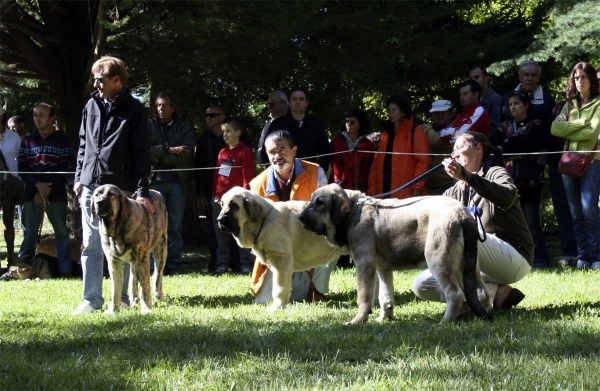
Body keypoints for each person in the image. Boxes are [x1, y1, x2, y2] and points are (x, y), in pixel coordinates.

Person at [413, 131, 533, 311]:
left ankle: (471, 301)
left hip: (514, 258)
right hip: (479, 265)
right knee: (422, 284)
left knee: (460, 232)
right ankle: (495, 294)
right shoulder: (455, 190)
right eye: (452, 150)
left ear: (478, 149)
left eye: (459, 147)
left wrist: (467, 177)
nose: (454, 154)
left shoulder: (495, 172)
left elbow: (507, 197)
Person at [73, 56, 152, 314]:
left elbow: (142, 154)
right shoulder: (91, 105)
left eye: (100, 79)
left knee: (126, 245)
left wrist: (143, 193)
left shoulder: (136, 111)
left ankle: (126, 299)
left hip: (122, 191)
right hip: (90, 187)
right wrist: (78, 178)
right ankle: (91, 299)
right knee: (92, 244)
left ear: (116, 80)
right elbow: (83, 144)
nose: (95, 84)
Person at [502, 60, 576, 260]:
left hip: (537, 167)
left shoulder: (547, 101)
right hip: (511, 170)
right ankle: (514, 256)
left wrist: (516, 143)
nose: (529, 78)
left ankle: (546, 257)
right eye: (526, 74)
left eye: (533, 75)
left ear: (539, 77)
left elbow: (539, 137)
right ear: (519, 76)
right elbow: (502, 140)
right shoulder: (508, 97)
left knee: (534, 216)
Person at [249, 130, 331, 304]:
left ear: (294, 151)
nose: (277, 156)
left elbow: (328, 214)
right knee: (264, 300)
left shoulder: (316, 172)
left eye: (282, 150)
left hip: (312, 237)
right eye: (272, 152)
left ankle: (317, 289)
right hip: (277, 247)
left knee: (332, 240)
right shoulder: (257, 185)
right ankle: (297, 286)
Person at [551, 62, 600, 270]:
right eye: (576, 78)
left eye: (583, 77)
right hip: (569, 164)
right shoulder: (569, 105)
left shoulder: (598, 104)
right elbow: (555, 128)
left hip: (591, 161)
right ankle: (583, 256)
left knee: (589, 210)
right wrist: (579, 124)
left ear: (592, 80)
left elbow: (592, 133)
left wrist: (567, 129)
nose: (579, 81)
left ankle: (596, 256)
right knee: (575, 213)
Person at [17, 103, 75, 276]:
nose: (38, 119)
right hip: (31, 193)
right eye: (35, 115)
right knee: (29, 234)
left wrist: (47, 188)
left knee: (61, 233)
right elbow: (22, 167)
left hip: (56, 193)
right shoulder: (27, 141)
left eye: (42, 115)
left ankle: (65, 271)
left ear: (51, 118)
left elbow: (66, 167)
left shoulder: (63, 141)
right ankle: (22, 268)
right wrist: (37, 186)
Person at [498, 92, 549, 268]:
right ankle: (516, 260)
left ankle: (540, 259)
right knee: (510, 222)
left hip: (530, 179)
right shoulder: (504, 126)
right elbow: (499, 148)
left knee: (532, 221)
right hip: (509, 179)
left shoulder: (536, 124)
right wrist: (515, 143)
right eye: (510, 104)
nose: (513, 107)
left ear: (526, 105)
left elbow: (532, 143)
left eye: (516, 103)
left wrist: (511, 143)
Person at [149, 91, 195, 274]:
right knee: (154, 225)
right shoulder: (149, 126)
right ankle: (153, 266)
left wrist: (159, 158)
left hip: (177, 183)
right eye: (158, 105)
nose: (161, 109)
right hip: (154, 183)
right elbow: (144, 152)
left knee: (174, 226)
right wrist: (168, 150)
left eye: (165, 105)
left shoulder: (184, 128)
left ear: (173, 108)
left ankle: (171, 264)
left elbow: (187, 155)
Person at [212, 118, 256, 275]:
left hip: (237, 202)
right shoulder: (222, 152)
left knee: (241, 231)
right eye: (223, 131)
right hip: (219, 200)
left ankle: (245, 264)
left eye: (228, 131)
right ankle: (221, 264)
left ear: (238, 132)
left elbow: (248, 178)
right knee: (221, 234)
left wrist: (244, 199)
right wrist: (214, 196)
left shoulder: (245, 152)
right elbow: (218, 175)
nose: (225, 134)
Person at [368, 94, 430, 199]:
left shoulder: (415, 132)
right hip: (383, 194)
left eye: (394, 109)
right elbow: (376, 165)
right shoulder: (385, 135)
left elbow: (423, 162)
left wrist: (418, 187)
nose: (390, 113)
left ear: (403, 112)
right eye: (389, 110)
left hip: (407, 195)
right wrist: (373, 191)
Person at [257, 88, 331, 171]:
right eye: (294, 99)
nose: (298, 102)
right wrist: (275, 172)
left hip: (309, 174)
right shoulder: (277, 124)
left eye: (301, 99)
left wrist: (319, 172)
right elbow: (266, 151)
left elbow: (325, 153)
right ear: (289, 102)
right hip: (282, 174)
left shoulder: (316, 124)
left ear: (307, 103)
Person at [329, 108, 376, 193]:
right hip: (338, 189)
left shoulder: (369, 146)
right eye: (347, 121)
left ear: (361, 124)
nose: (348, 124)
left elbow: (372, 172)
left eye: (352, 122)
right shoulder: (336, 142)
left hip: (360, 190)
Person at [0, 109, 22, 264]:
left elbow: (21, 159)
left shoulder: (13, 136)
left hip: (8, 183)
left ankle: (11, 256)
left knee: (9, 222)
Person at [420, 100, 456, 195]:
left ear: (451, 113)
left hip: (449, 184)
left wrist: (426, 128)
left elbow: (437, 141)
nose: (439, 116)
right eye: (436, 113)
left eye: (443, 113)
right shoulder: (427, 130)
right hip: (427, 184)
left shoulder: (456, 130)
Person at [256, 90, 295, 165]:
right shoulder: (268, 123)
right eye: (268, 104)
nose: (269, 106)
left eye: (272, 103)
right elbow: (261, 147)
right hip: (270, 168)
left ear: (284, 103)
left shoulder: (293, 122)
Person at [469, 65, 503, 130]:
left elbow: (495, 129)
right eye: (471, 79)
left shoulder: (495, 100)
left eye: (476, 77)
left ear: (486, 78)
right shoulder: (473, 99)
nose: (473, 81)